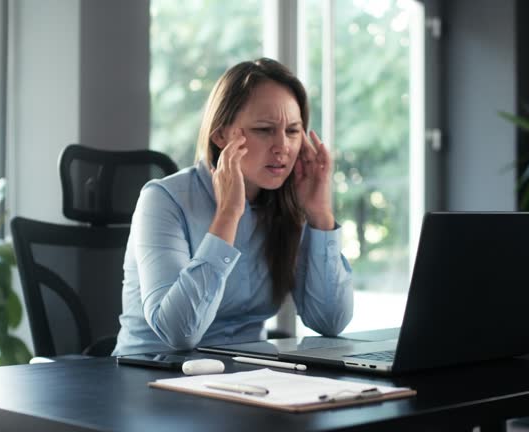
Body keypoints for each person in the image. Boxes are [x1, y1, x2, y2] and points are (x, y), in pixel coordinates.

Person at [113, 58, 354, 355]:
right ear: (221, 135)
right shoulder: (163, 200)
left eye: (293, 131)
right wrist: (228, 214)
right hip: (152, 375)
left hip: (245, 375)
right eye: (265, 130)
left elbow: (330, 322)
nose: (283, 147)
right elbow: (179, 332)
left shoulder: (286, 204)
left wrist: (320, 214)